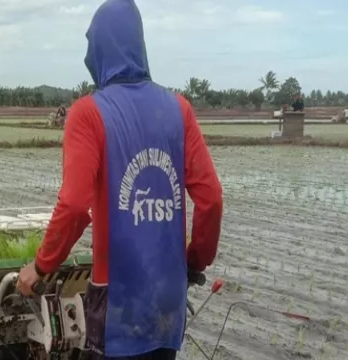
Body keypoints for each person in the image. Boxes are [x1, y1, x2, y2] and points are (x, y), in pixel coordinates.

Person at [15, 1, 224, 359]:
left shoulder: (88, 114)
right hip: (168, 298)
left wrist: (40, 266)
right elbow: (212, 199)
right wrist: (194, 261)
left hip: (119, 302)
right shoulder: (179, 109)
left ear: (97, 51)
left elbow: (75, 205)